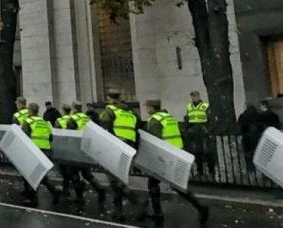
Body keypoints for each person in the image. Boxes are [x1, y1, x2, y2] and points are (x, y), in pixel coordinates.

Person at [143, 99, 210, 223]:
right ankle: (200, 207)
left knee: (153, 184)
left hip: (164, 155)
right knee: (176, 185)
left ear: (151, 107)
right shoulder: (169, 117)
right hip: (176, 152)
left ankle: (158, 213)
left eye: (147, 107)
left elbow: (155, 140)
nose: (146, 109)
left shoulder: (155, 119)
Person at [99, 91, 140, 221]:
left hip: (117, 146)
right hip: (130, 147)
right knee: (119, 178)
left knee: (113, 179)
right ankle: (118, 211)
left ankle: (137, 202)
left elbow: (106, 126)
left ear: (109, 98)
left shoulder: (110, 110)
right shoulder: (130, 111)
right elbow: (138, 125)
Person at [20, 103, 61, 206]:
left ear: (29, 110)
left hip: (34, 151)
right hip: (46, 151)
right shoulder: (44, 122)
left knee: (32, 174)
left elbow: (24, 137)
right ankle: (52, 192)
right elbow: (51, 137)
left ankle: (33, 198)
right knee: (39, 174)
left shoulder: (28, 122)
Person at [68, 101, 106, 203]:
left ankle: (79, 196)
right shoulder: (87, 118)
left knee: (74, 173)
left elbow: (70, 136)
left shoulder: (72, 119)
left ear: (74, 108)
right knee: (86, 172)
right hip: (86, 148)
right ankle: (99, 188)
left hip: (76, 149)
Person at [184, 90, 214, 177]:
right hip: (194, 130)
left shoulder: (205, 106)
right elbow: (187, 119)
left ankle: (211, 171)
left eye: (195, 96)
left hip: (203, 130)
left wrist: (207, 129)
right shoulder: (189, 106)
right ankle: (200, 171)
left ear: (199, 96)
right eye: (192, 96)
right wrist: (187, 129)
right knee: (197, 152)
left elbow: (210, 118)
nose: (194, 97)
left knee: (206, 151)